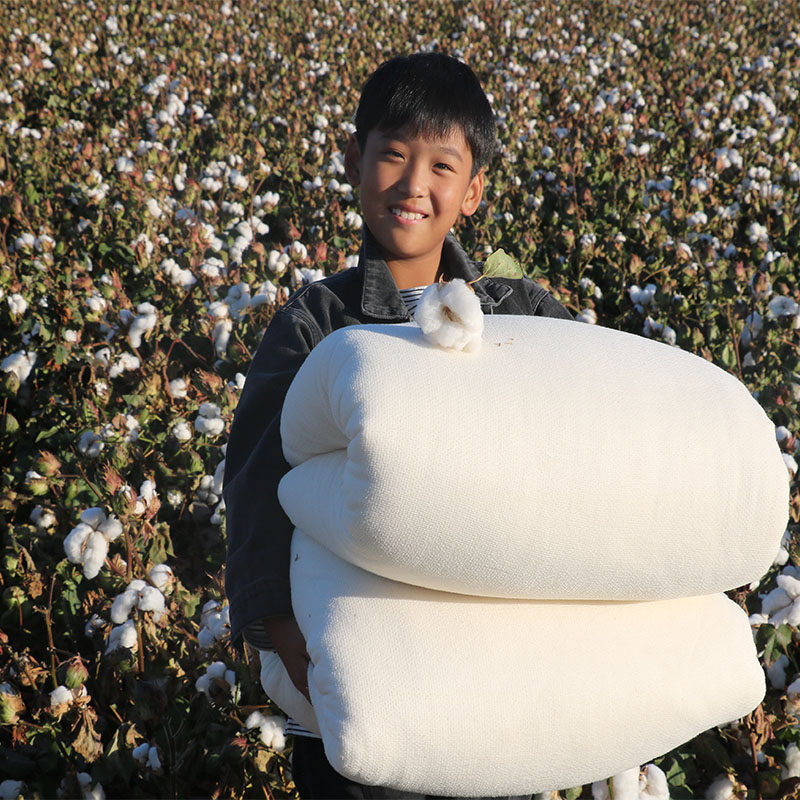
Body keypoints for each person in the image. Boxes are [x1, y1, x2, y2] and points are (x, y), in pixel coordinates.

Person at [223, 52, 573, 799]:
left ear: (472, 190)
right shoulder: (316, 323)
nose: (415, 184)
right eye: (393, 155)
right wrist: (295, 650)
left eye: (442, 166)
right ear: (354, 161)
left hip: (497, 686)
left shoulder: (525, 312)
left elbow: (583, 431)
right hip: (355, 684)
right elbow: (257, 486)